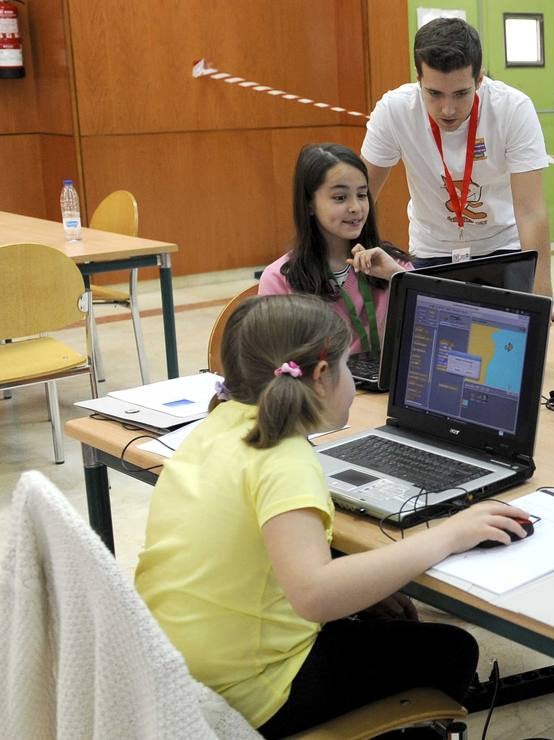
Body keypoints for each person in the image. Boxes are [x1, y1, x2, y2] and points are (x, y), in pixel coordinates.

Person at [135, 295, 532, 736]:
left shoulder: (214, 428)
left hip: (171, 663)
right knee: (451, 649)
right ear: (322, 377)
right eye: (348, 366)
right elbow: (315, 596)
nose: (354, 382)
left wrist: (362, 586)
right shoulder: (284, 458)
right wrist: (449, 535)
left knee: (368, 623)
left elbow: (258, 559)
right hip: (249, 691)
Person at [360, 17, 554, 323]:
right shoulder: (394, 110)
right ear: (417, 79)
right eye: (434, 94)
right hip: (432, 247)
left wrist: (544, 299)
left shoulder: (512, 109)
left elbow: (530, 210)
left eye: (460, 94)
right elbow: (363, 196)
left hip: (502, 245)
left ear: (480, 79)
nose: (447, 109)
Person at [259, 143, 408, 356]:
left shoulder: (392, 264)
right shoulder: (279, 279)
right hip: (319, 388)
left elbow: (428, 337)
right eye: (340, 197)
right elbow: (275, 361)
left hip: (387, 389)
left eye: (362, 195)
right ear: (309, 204)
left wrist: (397, 277)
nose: (356, 207)